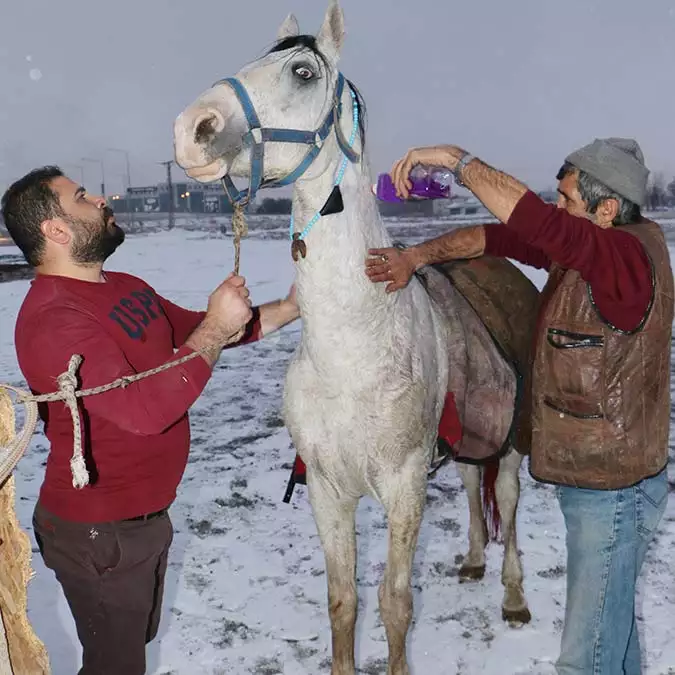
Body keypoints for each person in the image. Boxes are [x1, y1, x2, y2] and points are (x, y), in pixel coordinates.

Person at [365, 139, 673, 675]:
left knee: (587, 658)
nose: (556, 210)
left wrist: (457, 162)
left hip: (613, 490)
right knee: (615, 642)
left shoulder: (624, 258)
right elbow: (493, 236)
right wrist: (415, 257)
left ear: (606, 210)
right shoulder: (594, 251)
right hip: (603, 478)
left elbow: (532, 219)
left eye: (567, 200)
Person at [1, 166, 300, 675]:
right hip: (98, 530)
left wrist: (294, 306)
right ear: (55, 230)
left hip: (143, 520)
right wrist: (215, 328)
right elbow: (147, 411)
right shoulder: (54, 318)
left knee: (127, 651)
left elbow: (199, 335)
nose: (99, 199)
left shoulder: (124, 285)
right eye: (81, 197)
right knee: (116, 666)